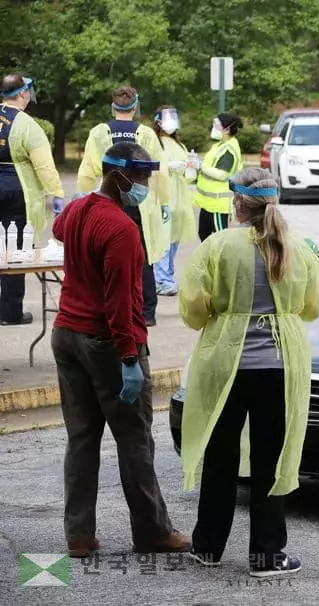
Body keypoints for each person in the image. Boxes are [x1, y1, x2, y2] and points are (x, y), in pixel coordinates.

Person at [179, 167, 319, 577]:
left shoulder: (218, 245)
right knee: (271, 458)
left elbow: (193, 305)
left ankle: (207, 545)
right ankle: (267, 554)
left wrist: (219, 313)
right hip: (280, 367)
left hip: (225, 365)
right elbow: (315, 304)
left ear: (237, 203)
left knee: (220, 455)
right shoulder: (296, 247)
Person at [52, 142, 191, 558]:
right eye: (143, 178)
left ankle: (78, 536)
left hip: (66, 335)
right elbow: (120, 304)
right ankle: (152, 532)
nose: (146, 186)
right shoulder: (122, 230)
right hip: (106, 344)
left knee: (81, 439)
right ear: (121, 177)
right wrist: (129, 359)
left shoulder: (77, 210)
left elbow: (59, 232)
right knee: (134, 440)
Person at [77, 86, 169, 327]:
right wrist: (165, 201)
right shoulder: (146, 134)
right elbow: (160, 170)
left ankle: (109, 310)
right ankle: (147, 313)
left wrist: (82, 194)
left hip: (108, 198)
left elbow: (89, 167)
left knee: (107, 255)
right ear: (135, 106)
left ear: (113, 106)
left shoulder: (99, 132)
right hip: (139, 201)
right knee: (143, 255)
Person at [0, 74, 65, 326]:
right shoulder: (26, 124)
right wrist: (56, 194)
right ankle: (10, 312)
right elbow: (44, 166)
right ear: (23, 94)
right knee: (15, 251)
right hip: (17, 192)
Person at [152, 106, 197, 296]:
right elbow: (151, 167)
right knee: (163, 240)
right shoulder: (154, 143)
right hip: (163, 198)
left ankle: (167, 276)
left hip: (180, 202)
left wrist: (191, 167)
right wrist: (168, 166)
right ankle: (161, 280)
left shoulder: (180, 146)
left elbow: (187, 173)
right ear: (158, 121)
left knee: (173, 242)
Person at [194, 113, 243, 242]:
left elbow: (223, 175)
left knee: (220, 239)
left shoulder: (229, 149)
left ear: (227, 129)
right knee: (203, 235)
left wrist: (200, 166)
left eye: (217, 126)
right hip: (208, 203)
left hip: (218, 204)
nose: (213, 128)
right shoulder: (219, 145)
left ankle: (220, 262)